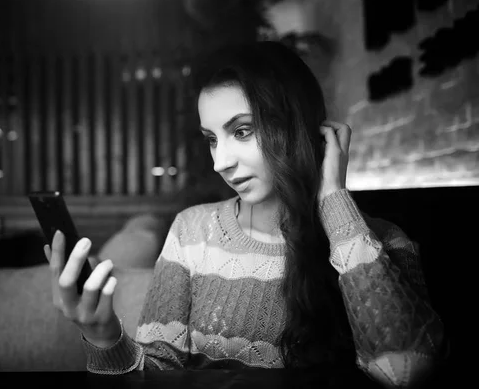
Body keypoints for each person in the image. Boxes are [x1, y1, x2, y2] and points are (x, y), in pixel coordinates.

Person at [43, 41, 448, 387]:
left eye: (241, 131)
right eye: (211, 139)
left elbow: (404, 372)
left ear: (298, 127)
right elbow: (159, 377)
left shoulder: (378, 243)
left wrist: (335, 200)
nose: (220, 161)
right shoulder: (192, 230)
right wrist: (103, 335)